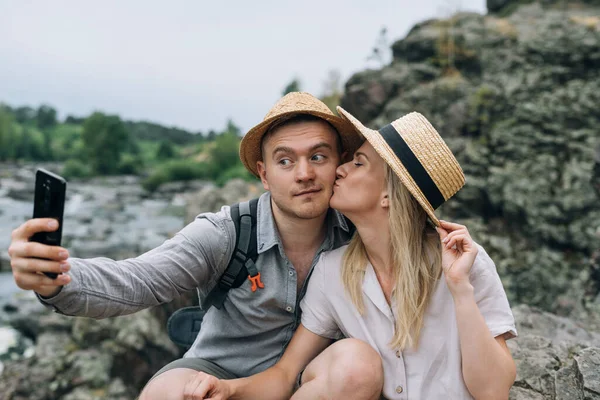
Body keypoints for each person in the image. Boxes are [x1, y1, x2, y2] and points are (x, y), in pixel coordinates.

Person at [7, 92, 384, 399]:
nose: (304, 173)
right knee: (168, 394)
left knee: (356, 365)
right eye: (286, 161)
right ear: (264, 175)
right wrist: (57, 278)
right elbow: (139, 280)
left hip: (313, 383)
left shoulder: (358, 230)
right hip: (217, 371)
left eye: (317, 156)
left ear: (339, 162)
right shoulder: (226, 233)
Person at [182, 108, 518, 400]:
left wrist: (460, 290)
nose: (340, 169)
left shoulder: (464, 263)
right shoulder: (332, 271)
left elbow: (493, 392)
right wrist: (230, 389)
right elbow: (286, 376)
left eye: (358, 163)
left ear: (387, 194)